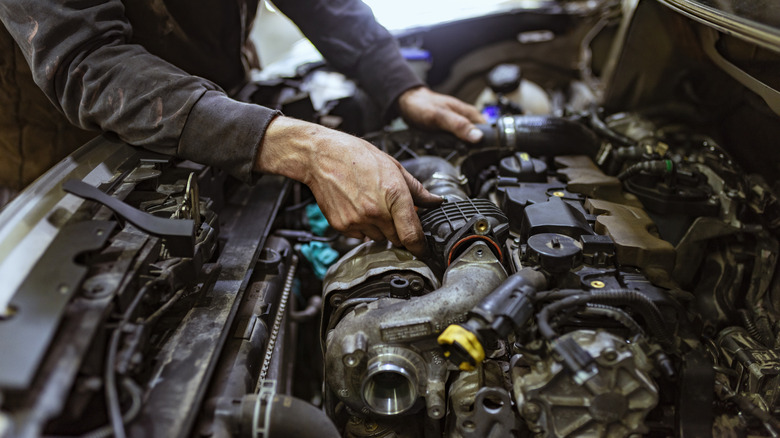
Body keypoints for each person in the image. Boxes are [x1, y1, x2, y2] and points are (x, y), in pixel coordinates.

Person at [0, 0, 485, 256]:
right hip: (72, 160)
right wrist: (307, 149)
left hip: (219, 99)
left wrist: (399, 85)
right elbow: (89, 61)